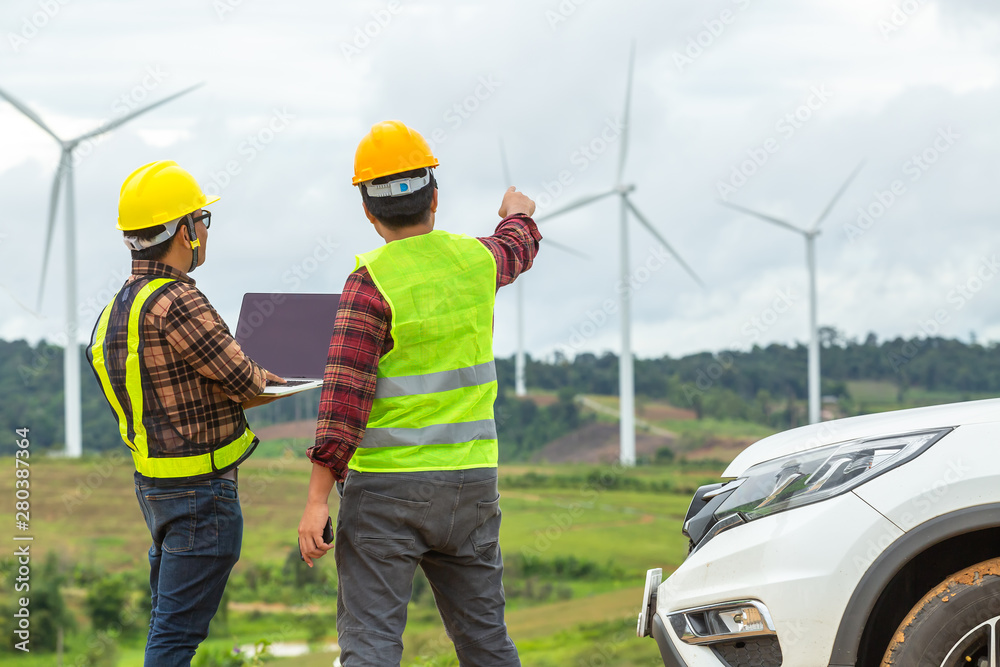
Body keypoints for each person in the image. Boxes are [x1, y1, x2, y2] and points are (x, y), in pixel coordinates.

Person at [298, 120, 540, 666]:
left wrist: (316, 501)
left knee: (372, 646)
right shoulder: (476, 262)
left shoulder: (369, 284)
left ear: (367, 209)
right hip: (471, 487)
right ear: (435, 197)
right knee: (485, 642)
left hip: (388, 494)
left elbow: (343, 406)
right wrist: (519, 214)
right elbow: (516, 246)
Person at [86, 160, 285, 666]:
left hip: (155, 489)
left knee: (166, 627)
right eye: (202, 220)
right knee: (174, 641)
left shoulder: (115, 310)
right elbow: (246, 382)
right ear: (183, 231)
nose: (204, 230)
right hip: (203, 495)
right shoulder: (176, 301)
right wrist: (288, 378)